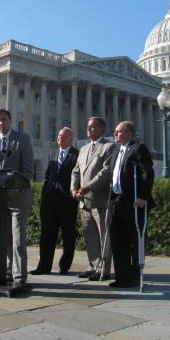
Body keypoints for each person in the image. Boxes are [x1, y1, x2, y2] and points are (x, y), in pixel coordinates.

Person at [0, 109, 34, 288]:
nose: (0, 123)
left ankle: (20, 277)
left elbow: (28, 169)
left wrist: (14, 181)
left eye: (3, 120)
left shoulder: (23, 139)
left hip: (18, 197)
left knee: (17, 238)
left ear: (10, 121)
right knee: (4, 238)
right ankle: (7, 271)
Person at [109, 121, 154, 288]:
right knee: (117, 241)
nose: (115, 134)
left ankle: (134, 277)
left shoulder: (138, 148)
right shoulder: (116, 151)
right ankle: (122, 276)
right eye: (115, 132)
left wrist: (143, 196)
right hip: (117, 201)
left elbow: (146, 172)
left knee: (135, 240)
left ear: (129, 133)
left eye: (118, 132)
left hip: (134, 201)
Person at [71, 117, 116, 281]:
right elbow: (75, 171)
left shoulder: (109, 147)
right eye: (88, 126)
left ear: (101, 129)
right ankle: (92, 266)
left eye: (92, 127)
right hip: (83, 201)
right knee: (89, 236)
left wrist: (89, 186)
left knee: (104, 236)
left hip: (99, 199)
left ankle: (104, 269)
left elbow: (106, 171)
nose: (88, 129)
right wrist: (73, 187)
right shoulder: (82, 149)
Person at [31, 127, 79, 275]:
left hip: (67, 201)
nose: (59, 138)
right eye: (58, 135)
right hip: (50, 201)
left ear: (71, 139)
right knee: (46, 235)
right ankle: (43, 266)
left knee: (68, 235)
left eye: (63, 136)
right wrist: (44, 194)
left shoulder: (76, 155)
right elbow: (47, 176)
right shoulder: (52, 153)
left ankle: (64, 266)